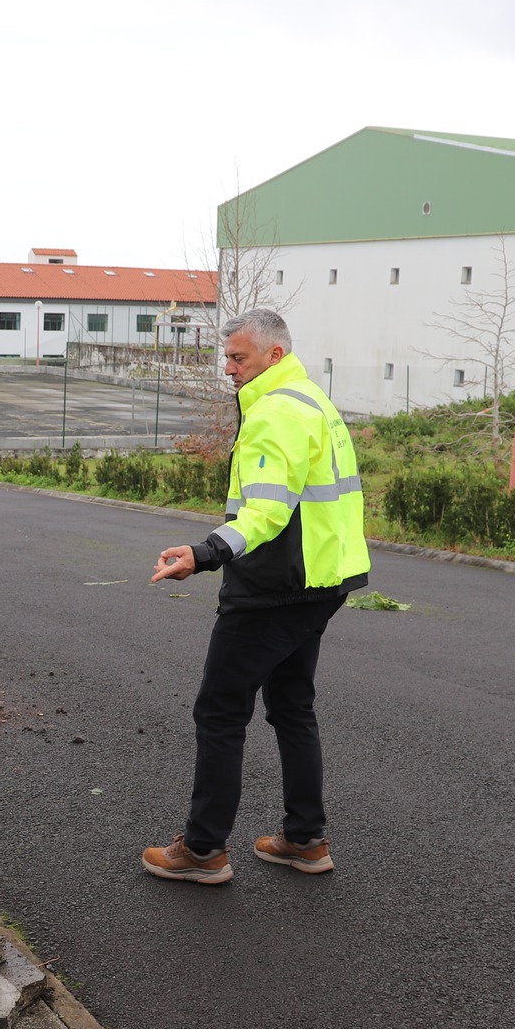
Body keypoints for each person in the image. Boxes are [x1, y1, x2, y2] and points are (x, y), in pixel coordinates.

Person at [142, 308, 370, 884]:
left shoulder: (276, 410)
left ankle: (202, 850)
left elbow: (266, 510)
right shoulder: (311, 399)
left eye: (238, 357)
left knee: (220, 712)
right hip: (320, 581)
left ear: (274, 354)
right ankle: (304, 840)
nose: (228, 367)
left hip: (273, 587)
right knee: (292, 707)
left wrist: (204, 553)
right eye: (226, 356)